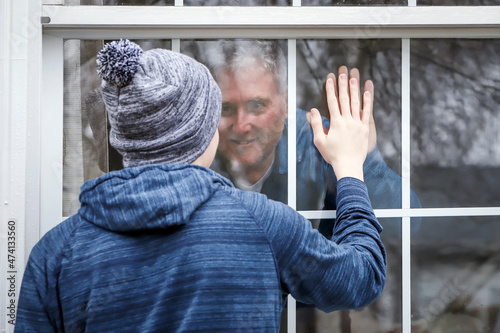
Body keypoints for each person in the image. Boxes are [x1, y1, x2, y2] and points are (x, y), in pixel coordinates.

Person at [15, 39, 386, 332]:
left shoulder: (56, 254)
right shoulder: (263, 226)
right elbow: (361, 277)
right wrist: (351, 168)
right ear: (203, 131)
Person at [204, 40, 420, 224]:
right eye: (226, 108)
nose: (242, 125)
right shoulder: (196, 147)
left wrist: (364, 162)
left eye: (257, 106)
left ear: (286, 103)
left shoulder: (320, 142)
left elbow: (407, 223)